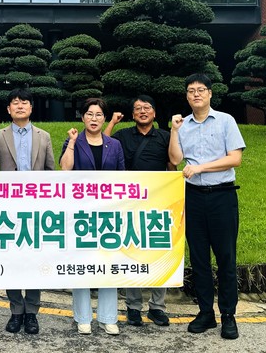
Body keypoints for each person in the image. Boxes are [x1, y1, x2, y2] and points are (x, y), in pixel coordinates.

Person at [169, 73, 245, 340]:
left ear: (210, 93)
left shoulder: (226, 121)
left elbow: (235, 159)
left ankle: (228, 315)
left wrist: (200, 167)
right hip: (193, 197)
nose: (196, 94)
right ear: (187, 96)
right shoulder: (183, 125)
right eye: (191, 91)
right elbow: (175, 159)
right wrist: (174, 131)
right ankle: (205, 313)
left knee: (226, 257)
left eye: (201, 89)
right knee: (199, 257)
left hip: (222, 196)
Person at [0, 88, 55, 335]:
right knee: (11, 257)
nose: (20, 106)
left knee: (34, 258)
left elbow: (50, 171)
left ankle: (32, 311)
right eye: (15, 103)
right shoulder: (1, 134)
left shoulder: (43, 136)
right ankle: (16, 310)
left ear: (31, 108)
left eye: (24, 102)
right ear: (8, 109)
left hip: (36, 206)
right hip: (8, 206)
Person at [103, 95, 172, 327]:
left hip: (158, 201)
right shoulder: (123, 136)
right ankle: (133, 307)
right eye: (138, 108)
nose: (143, 111)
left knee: (159, 251)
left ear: (154, 113)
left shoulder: (165, 136)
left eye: (147, 108)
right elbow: (103, 145)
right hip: (130, 201)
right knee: (132, 250)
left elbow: (173, 164)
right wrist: (112, 122)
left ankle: (157, 307)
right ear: (132, 115)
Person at [60, 98, 125, 336]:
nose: (94, 119)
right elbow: (65, 169)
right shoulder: (74, 141)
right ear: (82, 117)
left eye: (99, 115)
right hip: (80, 211)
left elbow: (122, 176)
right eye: (89, 114)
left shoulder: (114, 144)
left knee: (108, 262)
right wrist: (71, 143)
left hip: (108, 211)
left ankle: (108, 318)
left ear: (105, 118)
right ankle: (83, 317)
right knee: (82, 263)